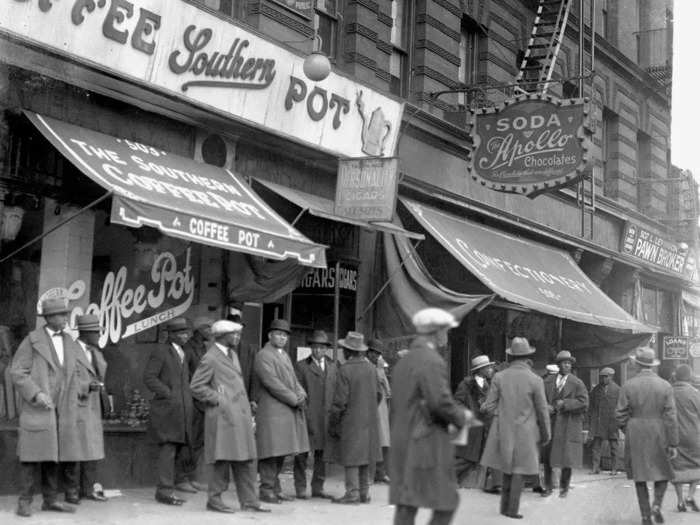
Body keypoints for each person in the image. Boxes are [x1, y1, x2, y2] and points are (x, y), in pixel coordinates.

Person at [390, 308, 471, 525]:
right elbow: (440, 402)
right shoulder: (432, 361)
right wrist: (462, 417)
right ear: (436, 332)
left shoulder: (404, 362)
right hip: (425, 441)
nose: (446, 335)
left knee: (407, 502)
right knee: (447, 501)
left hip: (402, 438)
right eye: (445, 330)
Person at [11, 297, 85, 517]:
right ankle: (24, 501)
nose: (65, 318)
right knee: (31, 457)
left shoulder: (70, 342)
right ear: (50, 317)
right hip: (39, 407)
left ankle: (50, 500)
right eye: (62, 315)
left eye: (65, 314)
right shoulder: (32, 341)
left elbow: (77, 372)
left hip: (63, 409)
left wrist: (81, 389)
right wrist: (36, 393)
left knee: (54, 455)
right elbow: (17, 372)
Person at [189, 320, 270, 514]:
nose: (237, 338)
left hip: (238, 416)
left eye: (238, 334)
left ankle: (249, 501)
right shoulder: (211, 357)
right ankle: (214, 500)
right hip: (223, 417)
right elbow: (196, 386)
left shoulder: (231, 354)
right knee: (221, 460)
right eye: (234, 335)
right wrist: (219, 399)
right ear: (221, 336)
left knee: (245, 459)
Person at [481, 337, 551, 520]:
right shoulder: (536, 380)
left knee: (507, 467)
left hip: (503, 429)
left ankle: (504, 507)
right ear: (528, 356)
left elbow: (488, 407)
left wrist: (498, 414)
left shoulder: (499, 377)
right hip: (526, 432)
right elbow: (543, 411)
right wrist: (546, 434)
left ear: (511, 356)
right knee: (519, 469)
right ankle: (512, 510)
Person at [616, 347, 679, 525]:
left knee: (640, 474)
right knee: (663, 472)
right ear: (652, 366)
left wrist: (627, 428)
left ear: (637, 364)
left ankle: (645, 515)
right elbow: (671, 416)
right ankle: (657, 505)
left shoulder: (628, 385)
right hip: (659, 431)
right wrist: (673, 442)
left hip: (636, 431)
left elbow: (620, 414)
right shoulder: (665, 385)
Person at [254, 318, 309, 503]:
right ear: (270, 335)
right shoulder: (263, 355)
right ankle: (266, 489)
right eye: (278, 334)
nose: (282, 337)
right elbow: (271, 382)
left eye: (285, 335)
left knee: (280, 452)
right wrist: (294, 399)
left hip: (284, 411)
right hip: (272, 411)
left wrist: (302, 393)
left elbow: (293, 379)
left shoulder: (284, 355)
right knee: (270, 452)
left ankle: (274, 488)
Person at [143, 317, 195, 505]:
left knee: (177, 451)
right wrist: (169, 393)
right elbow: (149, 378)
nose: (185, 336)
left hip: (180, 410)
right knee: (168, 451)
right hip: (167, 410)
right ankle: (164, 492)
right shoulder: (161, 351)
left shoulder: (183, 352)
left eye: (186, 332)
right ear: (170, 335)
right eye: (181, 333)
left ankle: (169, 488)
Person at [326, 331, 381, 504]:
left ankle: (352, 493)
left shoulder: (345, 369)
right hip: (369, 420)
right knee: (364, 456)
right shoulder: (372, 369)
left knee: (351, 457)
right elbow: (379, 394)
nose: (342, 351)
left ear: (349, 351)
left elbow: (340, 401)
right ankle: (364, 493)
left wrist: (334, 422)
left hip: (351, 420)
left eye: (344, 348)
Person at [70, 314, 109, 502]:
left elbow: (100, 374)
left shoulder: (95, 351)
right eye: (96, 332)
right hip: (78, 406)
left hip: (93, 406)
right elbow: (65, 380)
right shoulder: (71, 351)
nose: (98, 336)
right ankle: (73, 491)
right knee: (77, 451)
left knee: (91, 450)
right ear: (86, 332)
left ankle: (87, 488)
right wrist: (86, 386)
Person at [293, 329, 336, 499]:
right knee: (302, 454)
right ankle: (300, 488)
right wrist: (305, 411)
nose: (318, 351)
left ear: (326, 349)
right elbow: (297, 390)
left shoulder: (333, 367)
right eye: (315, 347)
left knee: (322, 455)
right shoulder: (301, 366)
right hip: (307, 416)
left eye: (321, 348)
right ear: (311, 348)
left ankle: (318, 488)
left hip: (326, 418)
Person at [543, 350, 588, 498]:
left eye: (569, 363)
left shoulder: (577, 383)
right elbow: (539, 399)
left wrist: (566, 403)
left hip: (568, 423)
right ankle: (548, 487)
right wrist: (546, 407)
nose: (566, 365)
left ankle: (564, 488)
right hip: (551, 422)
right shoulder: (548, 382)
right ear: (559, 365)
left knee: (567, 457)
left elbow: (584, 402)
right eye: (564, 363)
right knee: (548, 456)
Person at [454, 354, 500, 492]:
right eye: (487, 367)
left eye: (490, 367)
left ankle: (492, 482)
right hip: (474, 426)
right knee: (468, 457)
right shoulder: (466, 384)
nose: (491, 369)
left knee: (488, 453)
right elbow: (457, 403)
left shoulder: (491, 383)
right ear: (480, 370)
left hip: (488, 424)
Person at [183, 316, 213, 491]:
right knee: (191, 441)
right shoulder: (188, 349)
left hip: (203, 401)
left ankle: (194, 476)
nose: (210, 331)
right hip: (193, 402)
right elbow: (186, 377)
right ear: (199, 330)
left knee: (200, 442)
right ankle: (186, 477)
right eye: (207, 328)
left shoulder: (204, 348)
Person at [670, 364, 700, 512]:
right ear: (689, 377)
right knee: (697, 465)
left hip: (674, 436)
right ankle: (691, 495)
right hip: (693, 436)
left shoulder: (669, 393)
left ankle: (680, 501)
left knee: (676, 467)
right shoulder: (695, 394)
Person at [367, 338, 391, 484]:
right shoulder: (369, 366)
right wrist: (380, 369)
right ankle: (370, 474)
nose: (376, 356)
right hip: (370, 404)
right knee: (372, 440)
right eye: (374, 353)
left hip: (381, 405)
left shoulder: (379, 367)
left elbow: (388, 390)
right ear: (368, 352)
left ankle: (380, 473)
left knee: (383, 440)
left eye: (378, 354)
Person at [588, 367, 621, 475]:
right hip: (599, 421)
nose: (603, 379)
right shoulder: (596, 390)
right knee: (596, 446)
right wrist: (591, 422)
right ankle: (595, 467)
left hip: (612, 422)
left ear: (611, 377)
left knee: (614, 447)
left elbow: (621, 407)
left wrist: (619, 421)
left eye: (606, 377)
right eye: (602, 377)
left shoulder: (618, 390)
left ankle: (614, 468)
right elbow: (591, 407)